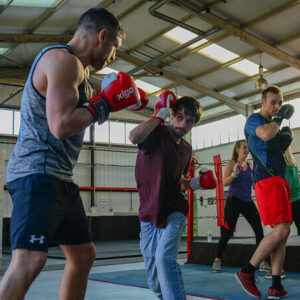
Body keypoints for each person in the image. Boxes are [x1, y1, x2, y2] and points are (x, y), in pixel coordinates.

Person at [0, 7, 142, 300]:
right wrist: (105, 104)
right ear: (102, 36)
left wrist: (126, 101)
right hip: (36, 173)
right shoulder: (63, 61)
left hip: (59, 177)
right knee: (30, 260)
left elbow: (83, 114)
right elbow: (61, 126)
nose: (112, 58)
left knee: (82, 255)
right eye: (113, 48)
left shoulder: (82, 73)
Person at [129, 93, 216, 300]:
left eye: (189, 121)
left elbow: (180, 181)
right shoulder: (156, 132)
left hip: (174, 209)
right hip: (149, 212)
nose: (183, 124)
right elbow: (133, 137)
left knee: (164, 258)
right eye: (179, 117)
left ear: (194, 124)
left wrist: (195, 184)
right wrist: (158, 116)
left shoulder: (186, 149)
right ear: (172, 115)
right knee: (154, 280)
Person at [235, 85, 294, 299]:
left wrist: (284, 141)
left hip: (280, 178)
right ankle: (247, 271)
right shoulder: (254, 120)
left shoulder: (273, 124)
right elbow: (266, 135)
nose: (277, 106)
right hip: (267, 180)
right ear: (263, 102)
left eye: (280, 102)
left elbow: (273, 143)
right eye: (273, 102)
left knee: (282, 234)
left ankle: (276, 285)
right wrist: (278, 122)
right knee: (282, 230)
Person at [212, 140, 264, 273]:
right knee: (227, 232)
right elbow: (225, 182)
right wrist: (234, 174)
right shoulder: (231, 163)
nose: (247, 149)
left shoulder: (250, 165)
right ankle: (217, 259)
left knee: (259, 230)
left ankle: (262, 260)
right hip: (234, 200)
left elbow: (253, 183)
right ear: (237, 149)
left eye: (248, 147)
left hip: (247, 201)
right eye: (244, 147)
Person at [284, 146, 300, 234]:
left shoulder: (285, 167)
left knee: (281, 230)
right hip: (298, 198)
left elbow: (287, 187)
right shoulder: (293, 164)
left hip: (292, 202)